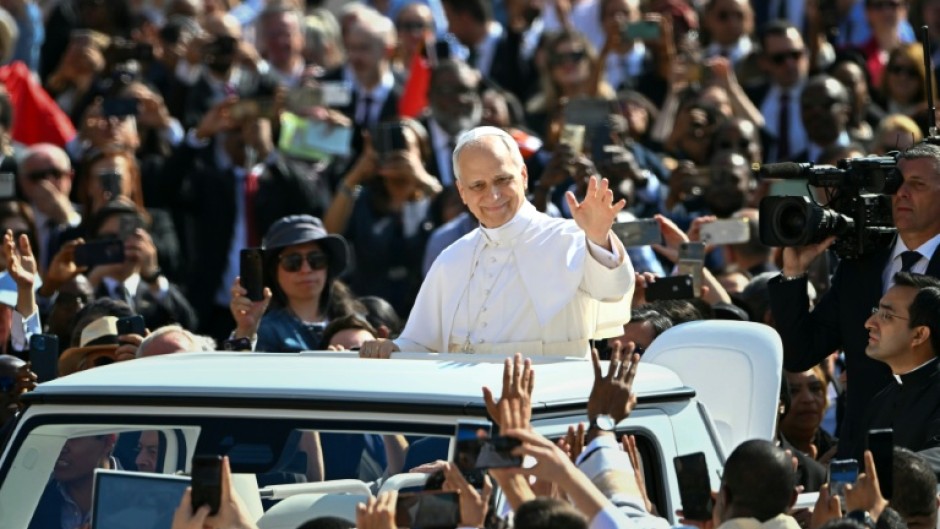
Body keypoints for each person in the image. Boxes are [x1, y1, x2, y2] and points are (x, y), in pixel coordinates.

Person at [359, 126, 634, 358]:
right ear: (462, 192)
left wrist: (598, 237)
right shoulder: (452, 257)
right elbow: (421, 343)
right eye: (478, 186)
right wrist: (393, 347)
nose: (493, 196)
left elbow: (612, 289)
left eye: (502, 180)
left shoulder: (570, 238)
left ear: (524, 176)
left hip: (548, 406)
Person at [769, 142, 940, 459]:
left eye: (917, 185)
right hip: (859, 454)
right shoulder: (862, 262)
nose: (902, 193)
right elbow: (801, 352)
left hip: (929, 458)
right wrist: (793, 272)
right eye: (896, 183)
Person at [230, 215, 359, 352]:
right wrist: (245, 331)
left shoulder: (356, 320)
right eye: (292, 262)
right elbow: (239, 371)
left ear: (328, 267)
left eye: (316, 260)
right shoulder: (265, 329)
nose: (306, 269)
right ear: (274, 271)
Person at [859, 272, 940, 469]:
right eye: (876, 311)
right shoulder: (881, 401)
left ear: (919, 334)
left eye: (886, 315)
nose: (869, 323)